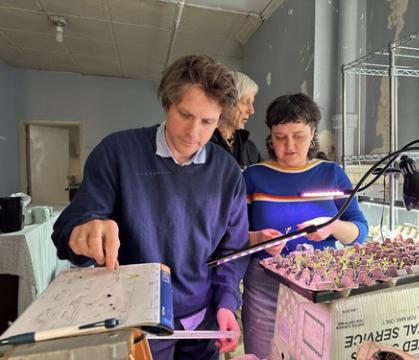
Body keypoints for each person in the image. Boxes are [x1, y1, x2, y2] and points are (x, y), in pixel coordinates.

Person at [51, 55, 250, 360]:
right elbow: (69, 228)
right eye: (185, 114)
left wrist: (226, 302)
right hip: (136, 320)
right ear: (168, 102)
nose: (194, 132)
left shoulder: (227, 172)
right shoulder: (117, 153)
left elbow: (231, 252)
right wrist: (83, 232)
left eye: (208, 122)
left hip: (203, 320)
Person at [241, 93, 368, 359]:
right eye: (279, 137)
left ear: (312, 133)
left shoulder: (332, 173)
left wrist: (331, 226)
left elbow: (359, 231)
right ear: (270, 136)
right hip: (265, 289)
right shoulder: (253, 177)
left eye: (298, 136)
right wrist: (257, 239)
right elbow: (231, 234)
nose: (289, 146)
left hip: (320, 286)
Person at [210, 71, 262, 169]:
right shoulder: (202, 142)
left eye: (251, 103)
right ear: (225, 102)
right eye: (245, 102)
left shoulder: (250, 149)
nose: (251, 111)